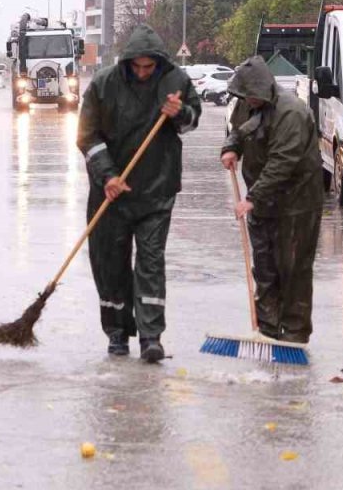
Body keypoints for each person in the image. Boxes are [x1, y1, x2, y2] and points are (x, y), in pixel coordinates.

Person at [77, 24, 201, 363]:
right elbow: (86, 136)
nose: (144, 72)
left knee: (150, 261)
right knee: (110, 264)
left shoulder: (176, 81)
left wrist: (180, 113)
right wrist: (108, 176)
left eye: (150, 67)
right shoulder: (104, 84)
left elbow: (192, 121)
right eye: (138, 66)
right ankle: (117, 334)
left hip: (156, 190)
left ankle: (151, 337)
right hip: (110, 194)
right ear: (127, 61)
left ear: (159, 62)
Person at [220, 57, 324, 343]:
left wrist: (252, 197)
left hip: (297, 202)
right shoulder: (246, 103)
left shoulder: (291, 113)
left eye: (252, 96)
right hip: (263, 201)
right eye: (245, 97)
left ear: (265, 89)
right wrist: (231, 148)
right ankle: (266, 329)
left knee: (293, 269)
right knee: (264, 267)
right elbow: (239, 131)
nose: (248, 101)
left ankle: (295, 334)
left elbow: (282, 162)